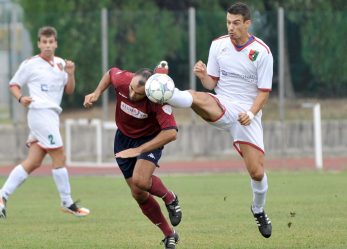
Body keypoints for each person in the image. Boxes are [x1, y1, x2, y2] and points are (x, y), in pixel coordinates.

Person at [164, 2, 273, 238]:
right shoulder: (218, 45)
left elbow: (264, 92)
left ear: (247, 24)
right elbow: (211, 85)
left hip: (248, 114)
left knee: (256, 172)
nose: (231, 27)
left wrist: (252, 113)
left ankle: (258, 209)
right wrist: (203, 76)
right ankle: (165, 94)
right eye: (228, 22)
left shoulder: (262, 52)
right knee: (197, 97)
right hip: (223, 103)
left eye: (236, 23)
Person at [83, 61, 182, 249]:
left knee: (141, 181)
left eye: (138, 94)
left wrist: (139, 150)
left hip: (150, 140)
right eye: (132, 89)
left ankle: (170, 198)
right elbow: (110, 73)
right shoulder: (123, 80)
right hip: (123, 139)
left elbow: (171, 133)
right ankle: (169, 234)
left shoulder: (157, 99)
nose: (132, 94)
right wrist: (96, 93)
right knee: (138, 193)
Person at [0, 26, 90, 218]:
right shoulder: (30, 63)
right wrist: (21, 98)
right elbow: (13, 85)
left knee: (33, 162)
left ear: (55, 43)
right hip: (39, 113)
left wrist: (71, 73)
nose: (48, 45)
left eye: (51, 42)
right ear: (39, 43)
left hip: (52, 116)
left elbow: (70, 90)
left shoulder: (60, 64)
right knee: (60, 155)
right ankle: (67, 202)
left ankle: (2, 196)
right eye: (44, 42)